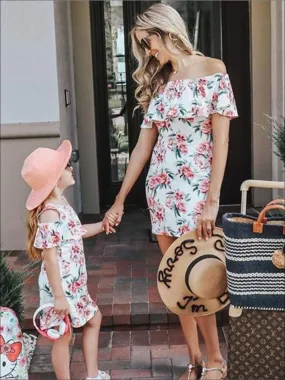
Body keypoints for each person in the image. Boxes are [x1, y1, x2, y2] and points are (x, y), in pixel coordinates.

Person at [102, 3, 238, 380]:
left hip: (195, 194)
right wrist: (118, 200)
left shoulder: (214, 70)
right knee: (177, 283)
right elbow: (143, 149)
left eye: (150, 42)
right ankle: (194, 361)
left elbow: (222, 143)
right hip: (161, 192)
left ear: (167, 31)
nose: (149, 52)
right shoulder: (160, 81)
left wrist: (212, 202)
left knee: (200, 279)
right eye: (143, 46)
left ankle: (216, 360)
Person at [21, 140, 114, 380]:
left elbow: (77, 231)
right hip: (59, 288)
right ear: (54, 178)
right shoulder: (50, 213)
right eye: (66, 166)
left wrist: (102, 225)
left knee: (93, 319)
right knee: (63, 335)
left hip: (74, 285)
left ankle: (92, 375)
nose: (71, 168)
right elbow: (50, 260)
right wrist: (59, 297)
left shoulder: (61, 205)